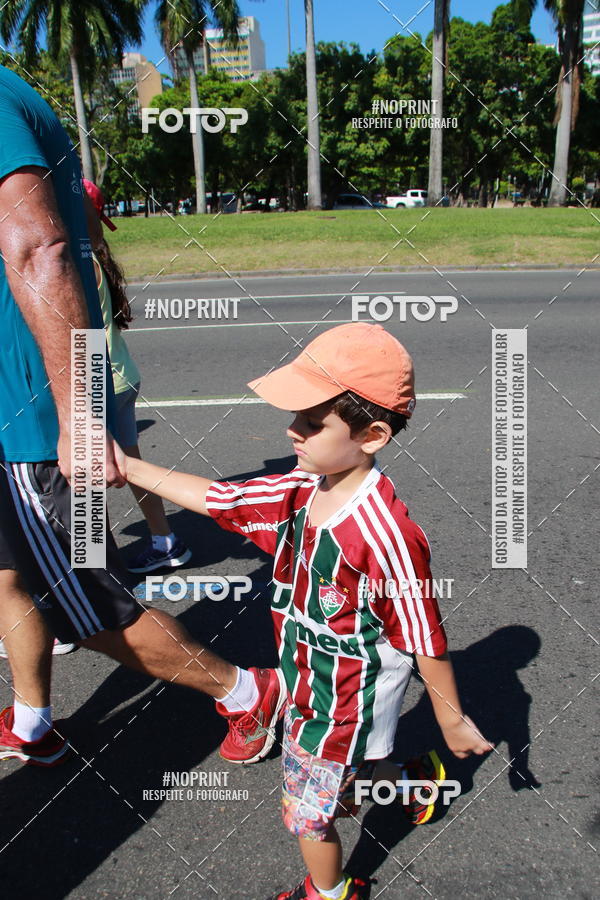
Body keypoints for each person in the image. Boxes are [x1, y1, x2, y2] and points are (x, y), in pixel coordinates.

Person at [117, 322, 494, 900]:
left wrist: (449, 716)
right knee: (353, 771)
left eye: (312, 422)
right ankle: (413, 783)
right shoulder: (302, 489)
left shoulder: (384, 534)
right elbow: (223, 500)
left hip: (346, 698)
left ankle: (330, 891)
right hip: (306, 676)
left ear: (371, 435)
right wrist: (128, 466)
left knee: (307, 811)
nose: (292, 431)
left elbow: (423, 633)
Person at [0, 64, 284, 767]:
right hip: (20, 409)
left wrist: (76, 415)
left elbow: (40, 245)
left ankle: (248, 690)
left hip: (30, 418)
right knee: (6, 578)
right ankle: (33, 721)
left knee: (90, 607)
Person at [82, 179, 191, 574]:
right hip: (121, 376)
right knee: (132, 466)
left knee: (87, 480)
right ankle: (165, 540)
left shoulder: (76, 263)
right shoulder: (98, 257)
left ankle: (97, 571)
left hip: (100, 382)